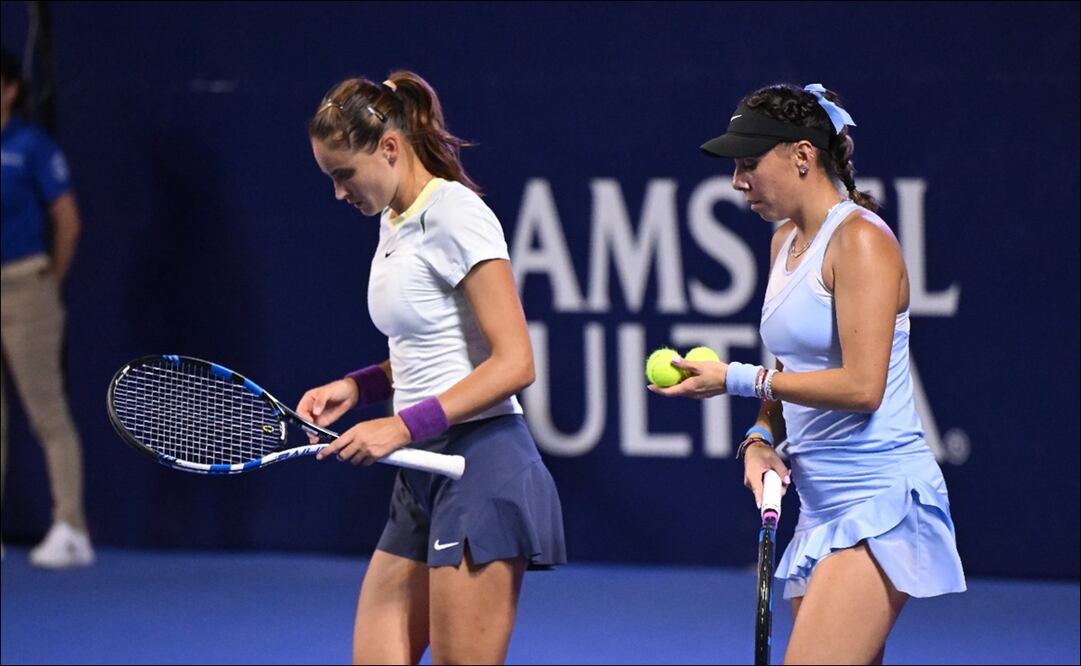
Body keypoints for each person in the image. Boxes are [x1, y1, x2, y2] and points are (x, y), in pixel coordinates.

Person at [651, 82, 965, 664]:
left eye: (749, 164)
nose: (737, 182)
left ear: (802, 155)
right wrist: (761, 436)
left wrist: (734, 379)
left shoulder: (863, 242)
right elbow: (790, 369)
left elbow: (862, 388)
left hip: (882, 501)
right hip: (819, 508)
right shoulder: (784, 244)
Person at [298, 71, 566, 665]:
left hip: (481, 466)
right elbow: (431, 348)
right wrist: (358, 387)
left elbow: (517, 362)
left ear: (389, 148)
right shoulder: (393, 219)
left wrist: (401, 426)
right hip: (420, 476)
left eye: (344, 173)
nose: (339, 192)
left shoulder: (456, 215)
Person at [1, 47, 93, 568]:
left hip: (25, 289)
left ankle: (71, 526)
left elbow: (68, 219)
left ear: (10, 89)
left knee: (46, 412)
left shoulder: (30, 146)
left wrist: (46, 283)